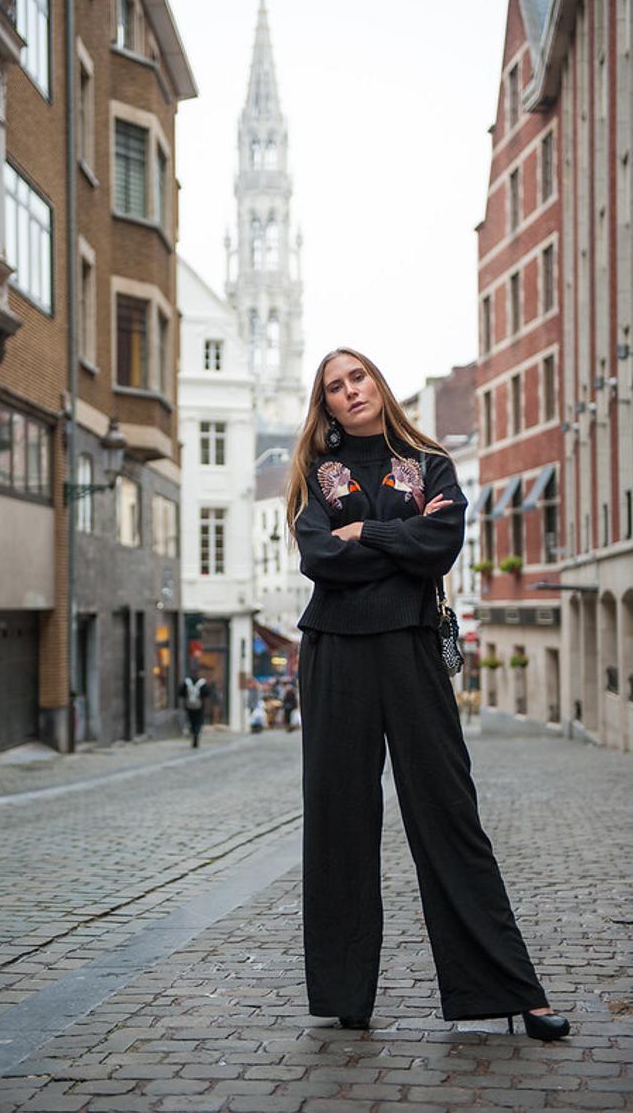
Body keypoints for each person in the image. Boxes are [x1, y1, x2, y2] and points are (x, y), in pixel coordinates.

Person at [284, 347, 569, 1040]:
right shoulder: (314, 477)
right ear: (326, 406)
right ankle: (346, 995)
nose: (351, 391)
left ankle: (514, 991)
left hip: (411, 647)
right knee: (339, 821)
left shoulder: (430, 462)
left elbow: (439, 545)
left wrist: (366, 531)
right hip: (335, 653)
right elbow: (320, 557)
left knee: (449, 813)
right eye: (335, 387)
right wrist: (399, 541)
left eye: (358, 377)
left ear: (378, 383)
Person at [178, 671, 209, 748]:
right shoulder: (202, 682)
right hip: (199, 707)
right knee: (198, 721)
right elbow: (206, 693)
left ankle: (193, 732)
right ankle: (196, 733)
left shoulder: (187, 682)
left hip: (189, 706)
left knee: (192, 721)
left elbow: (181, 693)